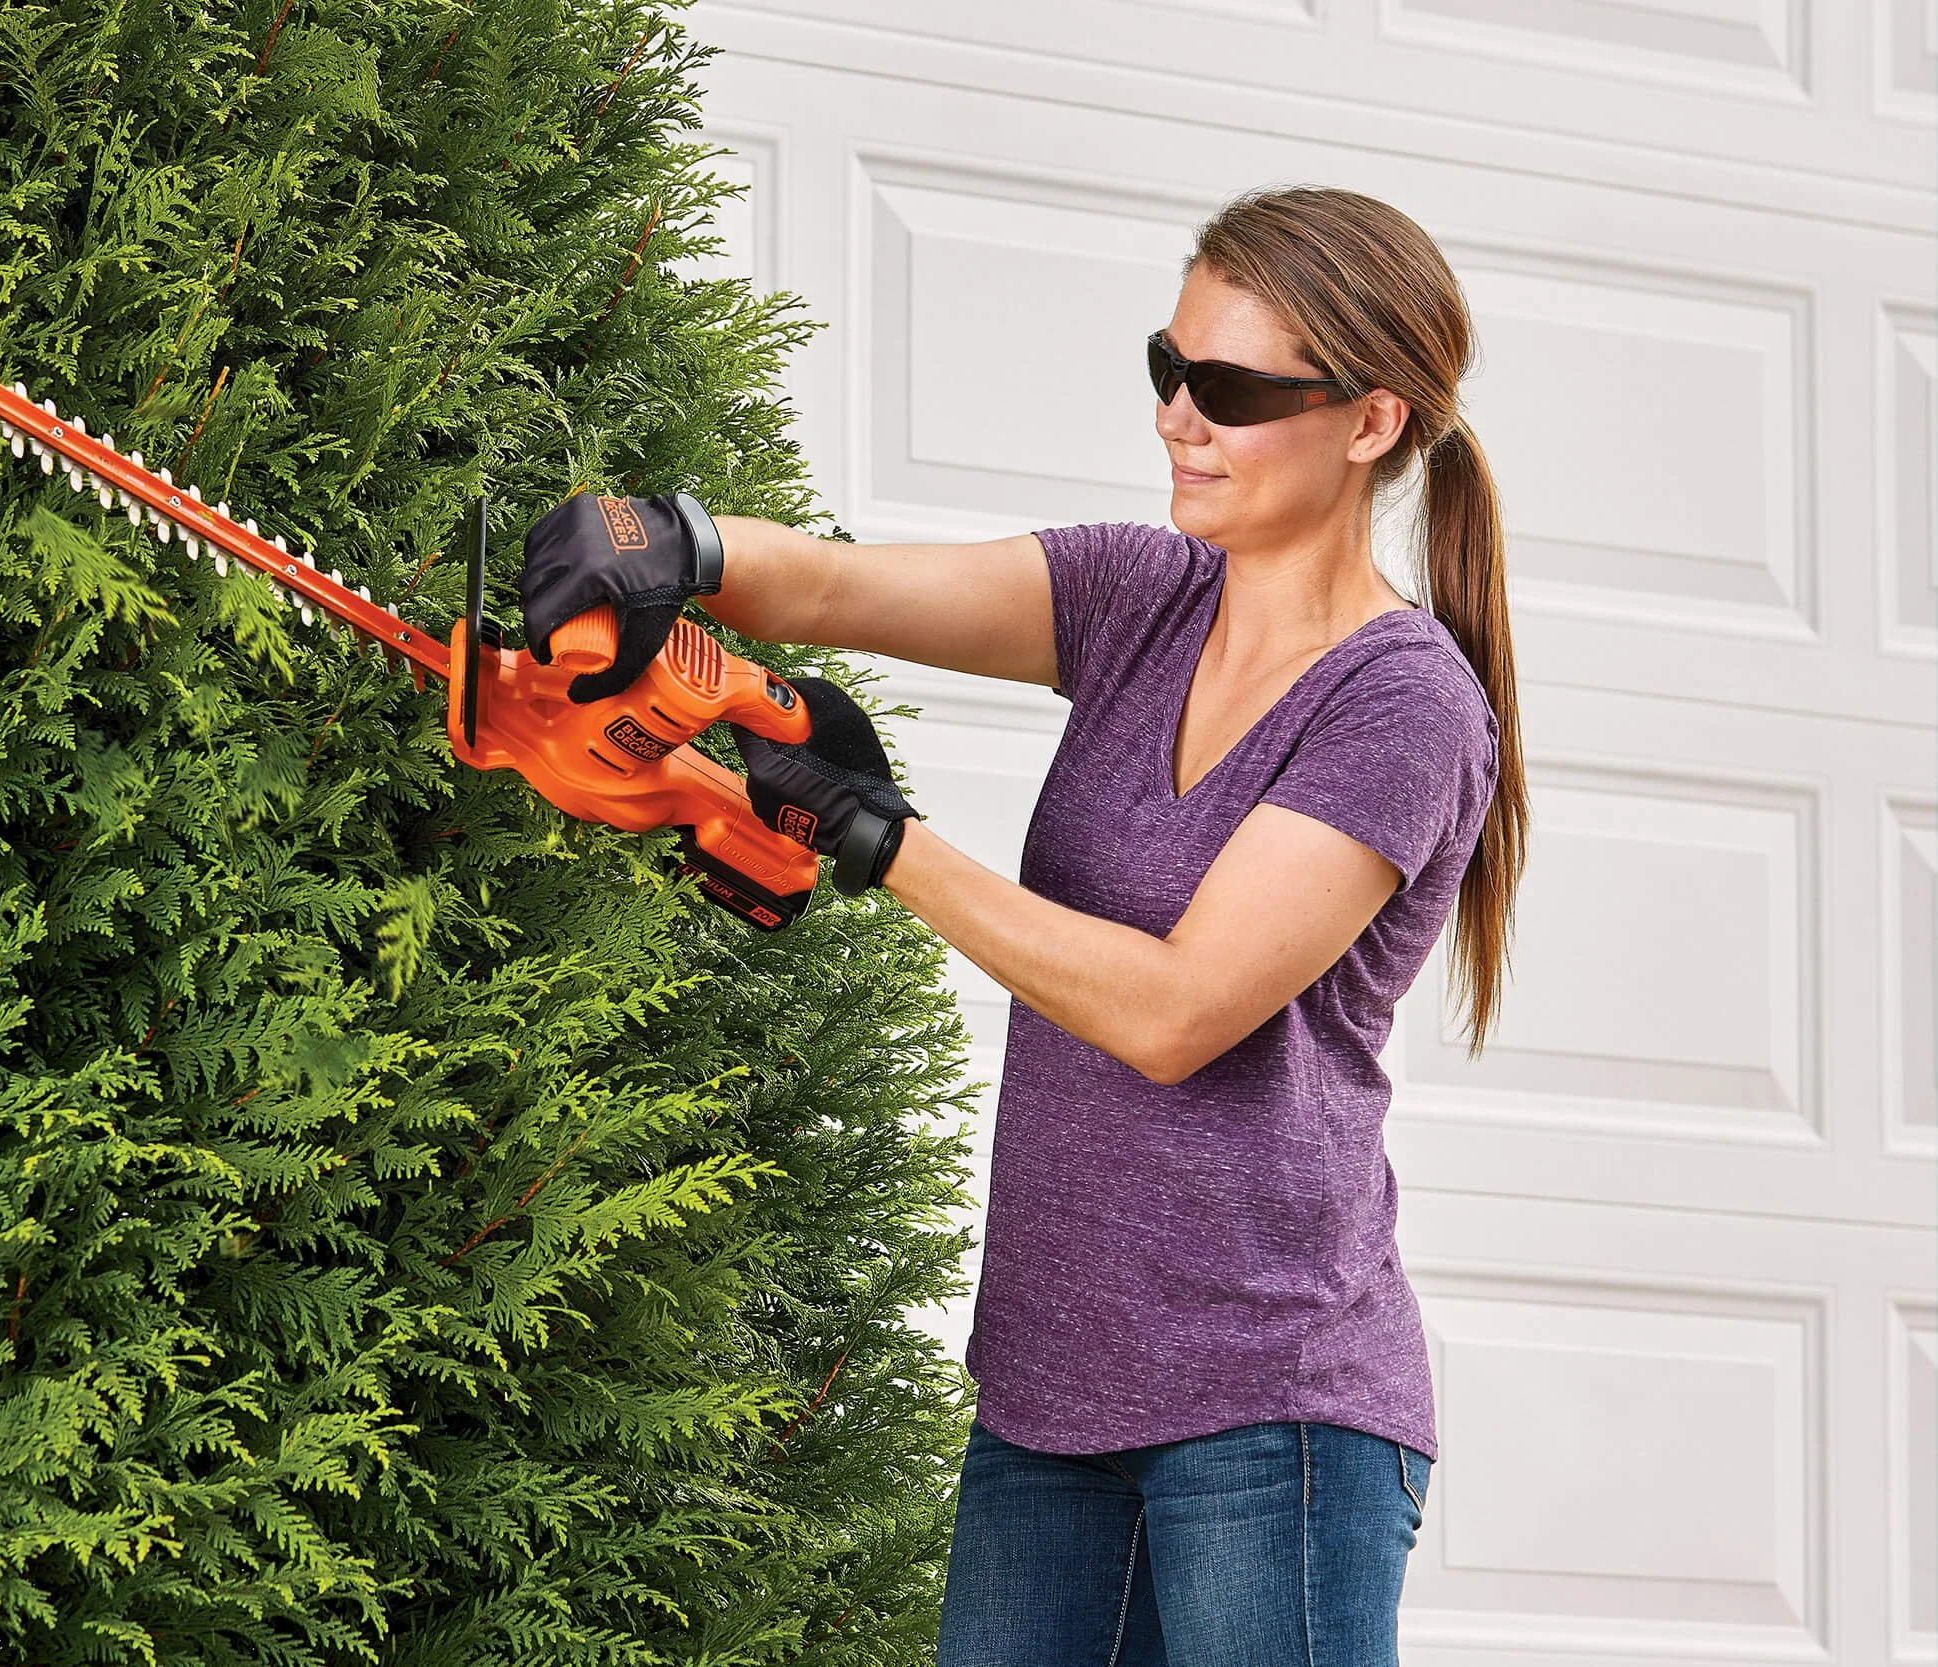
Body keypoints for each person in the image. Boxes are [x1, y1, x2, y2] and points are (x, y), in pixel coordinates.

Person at [518, 185, 1528, 1665]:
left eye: (1233, 390)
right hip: (1047, 1396)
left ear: (1371, 422)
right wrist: (674, 543)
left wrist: (880, 839)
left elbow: (1177, 1010)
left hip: (1274, 1415)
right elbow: (849, 588)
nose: (1182, 417)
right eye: (1166, 369)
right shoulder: (1142, 594)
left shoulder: (1402, 704)